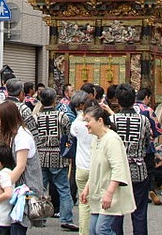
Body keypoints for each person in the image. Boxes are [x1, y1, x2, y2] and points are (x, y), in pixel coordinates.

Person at [80, 105, 136, 235]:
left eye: (88, 120)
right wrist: (87, 188)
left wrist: (109, 193)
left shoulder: (112, 139)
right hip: (97, 192)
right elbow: (94, 167)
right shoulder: (96, 140)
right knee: (93, 230)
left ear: (100, 120)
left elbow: (118, 168)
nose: (86, 124)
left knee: (101, 230)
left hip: (109, 193)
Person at [105, 85, 151, 235]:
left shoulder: (112, 120)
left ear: (117, 100)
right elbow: (147, 143)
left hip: (117, 171)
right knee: (139, 211)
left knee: (116, 211)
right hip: (139, 168)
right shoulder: (143, 120)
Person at [0, 101, 44, 235]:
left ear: (7, 118)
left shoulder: (22, 136)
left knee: (17, 228)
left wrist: (2, 187)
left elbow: (20, 167)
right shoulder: (15, 134)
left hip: (26, 190)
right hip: (19, 189)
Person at [34, 87, 78, 231]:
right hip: (58, 155)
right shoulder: (62, 116)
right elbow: (69, 136)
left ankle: (39, 217)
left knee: (40, 189)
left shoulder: (36, 117)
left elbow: (33, 136)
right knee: (63, 188)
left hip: (40, 155)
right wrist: (66, 150)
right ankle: (66, 218)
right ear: (54, 101)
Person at [134, 88, 162, 206]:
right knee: (149, 170)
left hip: (130, 147)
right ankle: (150, 190)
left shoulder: (128, 109)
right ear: (146, 97)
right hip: (146, 146)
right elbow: (157, 129)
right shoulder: (147, 110)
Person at [69, 92, 93, 235]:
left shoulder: (77, 124)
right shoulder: (97, 124)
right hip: (95, 166)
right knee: (97, 202)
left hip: (81, 166)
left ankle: (84, 232)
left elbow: (72, 133)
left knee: (84, 203)